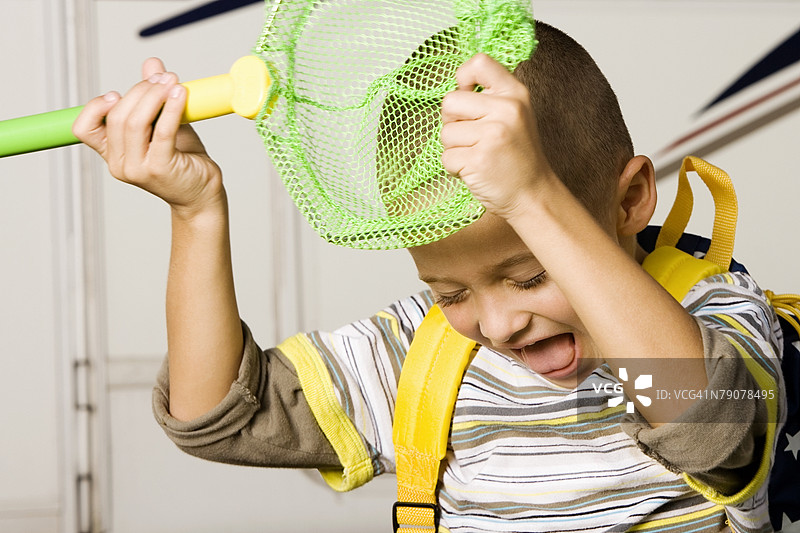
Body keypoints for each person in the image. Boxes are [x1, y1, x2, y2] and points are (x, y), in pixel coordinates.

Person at [73, 21, 784, 533]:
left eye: (530, 276)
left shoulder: (715, 316)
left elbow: (712, 431)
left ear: (630, 201)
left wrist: (533, 197)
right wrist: (197, 212)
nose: (499, 324)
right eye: (453, 292)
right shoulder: (429, 348)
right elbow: (219, 418)